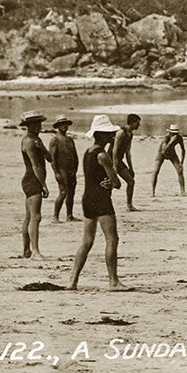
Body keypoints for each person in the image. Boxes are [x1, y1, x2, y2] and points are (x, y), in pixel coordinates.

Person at [68, 115, 128, 291]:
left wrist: (106, 180)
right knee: (112, 239)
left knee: (86, 241)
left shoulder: (88, 152)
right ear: (101, 134)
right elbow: (117, 183)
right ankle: (113, 281)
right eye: (109, 134)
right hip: (101, 199)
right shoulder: (103, 155)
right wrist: (111, 181)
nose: (111, 137)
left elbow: (94, 177)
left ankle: (72, 281)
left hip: (87, 198)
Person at [19, 110, 52, 259]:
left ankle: (27, 250)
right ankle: (35, 251)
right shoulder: (28, 141)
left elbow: (50, 158)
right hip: (32, 179)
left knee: (29, 216)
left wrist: (42, 148)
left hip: (33, 179)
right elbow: (35, 166)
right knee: (36, 217)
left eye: (39, 123)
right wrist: (43, 184)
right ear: (28, 125)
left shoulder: (36, 141)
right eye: (35, 124)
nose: (38, 126)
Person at [49, 115, 79, 222]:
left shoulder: (70, 139)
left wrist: (75, 169)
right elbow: (52, 159)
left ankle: (69, 215)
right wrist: (56, 173)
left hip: (71, 170)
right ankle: (55, 216)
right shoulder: (55, 140)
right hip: (62, 169)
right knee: (63, 192)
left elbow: (75, 156)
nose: (64, 126)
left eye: (65, 124)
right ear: (58, 126)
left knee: (71, 193)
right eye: (62, 124)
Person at [112, 113, 141, 212]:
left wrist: (131, 168)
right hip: (111, 159)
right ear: (132, 122)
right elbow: (114, 150)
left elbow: (128, 152)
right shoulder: (121, 132)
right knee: (111, 183)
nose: (139, 125)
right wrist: (114, 166)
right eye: (137, 122)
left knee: (131, 181)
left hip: (119, 160)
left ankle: (129, 205)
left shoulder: (130, 134)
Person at [151, 124, 186, 197]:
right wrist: (171, 142)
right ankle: (152, 191)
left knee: (180, 170)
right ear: (170, 133)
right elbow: (164, 150)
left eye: (176, 133)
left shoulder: (179, 138)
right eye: (174, 134)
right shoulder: (166, 137)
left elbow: (183, 150)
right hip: (161, 153)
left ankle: (183, 191)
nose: (175, 135)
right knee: (155, 171)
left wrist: (181, 163)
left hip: (172, 153)